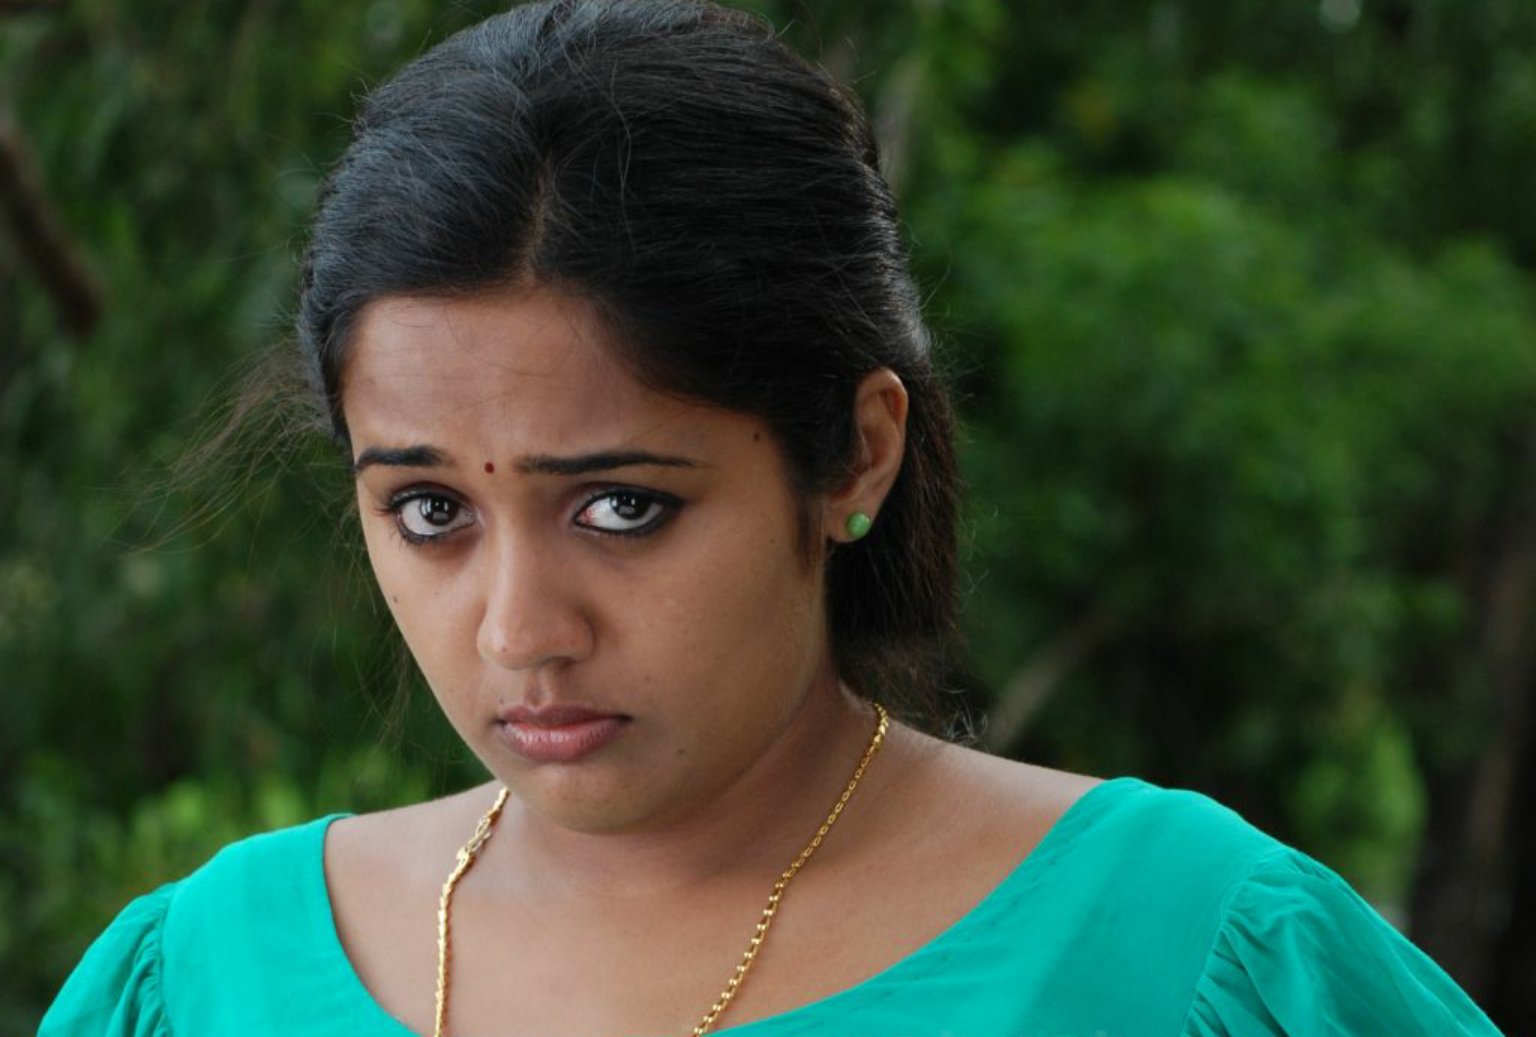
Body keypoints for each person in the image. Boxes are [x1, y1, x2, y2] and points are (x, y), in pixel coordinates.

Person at [40, 1, 1503, 1035]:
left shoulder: (1181, 953)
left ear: (856, 456)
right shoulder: (210, 978)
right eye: (429, 509)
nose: (519, 631)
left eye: (622, 505)